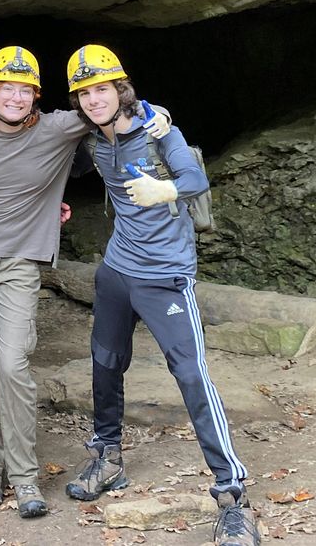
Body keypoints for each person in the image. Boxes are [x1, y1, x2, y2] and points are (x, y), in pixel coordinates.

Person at [0, 46, 171, 519]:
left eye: (24, 88)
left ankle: (25, 476)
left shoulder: (59, 126)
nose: (15, 96)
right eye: (5, 87)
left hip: (22, 262)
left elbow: (113, 106)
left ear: (36, 95)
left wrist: (158, 114)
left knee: (12, 364)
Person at [63, 45, 259, 546]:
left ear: (120, 89)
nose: (93, 99)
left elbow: (195, 178)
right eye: (84, 93)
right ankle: (107, 457)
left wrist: (165, 190)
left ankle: (232, 494)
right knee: (105, 363)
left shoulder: (158, 130)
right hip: (116, 272)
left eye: (101, 89)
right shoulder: (92, 139)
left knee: (191, 375)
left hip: (166, 276)